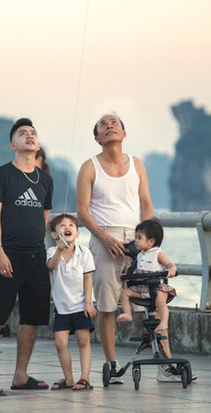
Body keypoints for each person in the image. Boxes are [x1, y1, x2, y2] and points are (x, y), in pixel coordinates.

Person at [76, 112, 157, 384]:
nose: (109, 125)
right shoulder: (89, 167)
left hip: (137, 238)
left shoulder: (137, 164)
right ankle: (112, 363)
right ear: (98, 137)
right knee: (108, 305)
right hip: (104, 240)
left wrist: (148, 239)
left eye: (114, 123)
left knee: (152, 297)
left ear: (124, 133)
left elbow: (146, 203)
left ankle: (163, 362)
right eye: (102, 124)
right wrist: (103, 237)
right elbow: (82, 212)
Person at [0, 118, 54, 391]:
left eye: (33, 132)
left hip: (36, 256)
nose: (30, 136)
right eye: (23, 133)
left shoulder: (45, 179)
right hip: (8, 254)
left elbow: (44, 219)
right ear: (13, 144)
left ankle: (21, 375)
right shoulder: (1, 175)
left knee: (32, 318)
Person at [46, 213, 96, 391]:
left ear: (77, 233)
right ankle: (68, 379)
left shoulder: (84, 253)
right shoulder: (52, 252)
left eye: (71, 226)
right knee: (60, 343)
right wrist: (60, 250)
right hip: (62, 307)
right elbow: (51, 266)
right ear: (54, 235)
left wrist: (89, 303)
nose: (67, 228)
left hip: (80, 305)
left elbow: (88, 277)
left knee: (83, 341)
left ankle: (85, 378)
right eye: (61, 225)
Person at [116, 219, 176, 358]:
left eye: (139, 238)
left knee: (160, 301)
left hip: (157, 287)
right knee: (124, 293)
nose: (135, 241)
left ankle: (164, 322)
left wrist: (171, 269)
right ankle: (128, 314)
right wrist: (127, 276)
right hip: (142, 288)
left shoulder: (157, 253)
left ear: (151, 241)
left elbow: (169, 264)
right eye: (135, 237)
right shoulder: (140, 255)